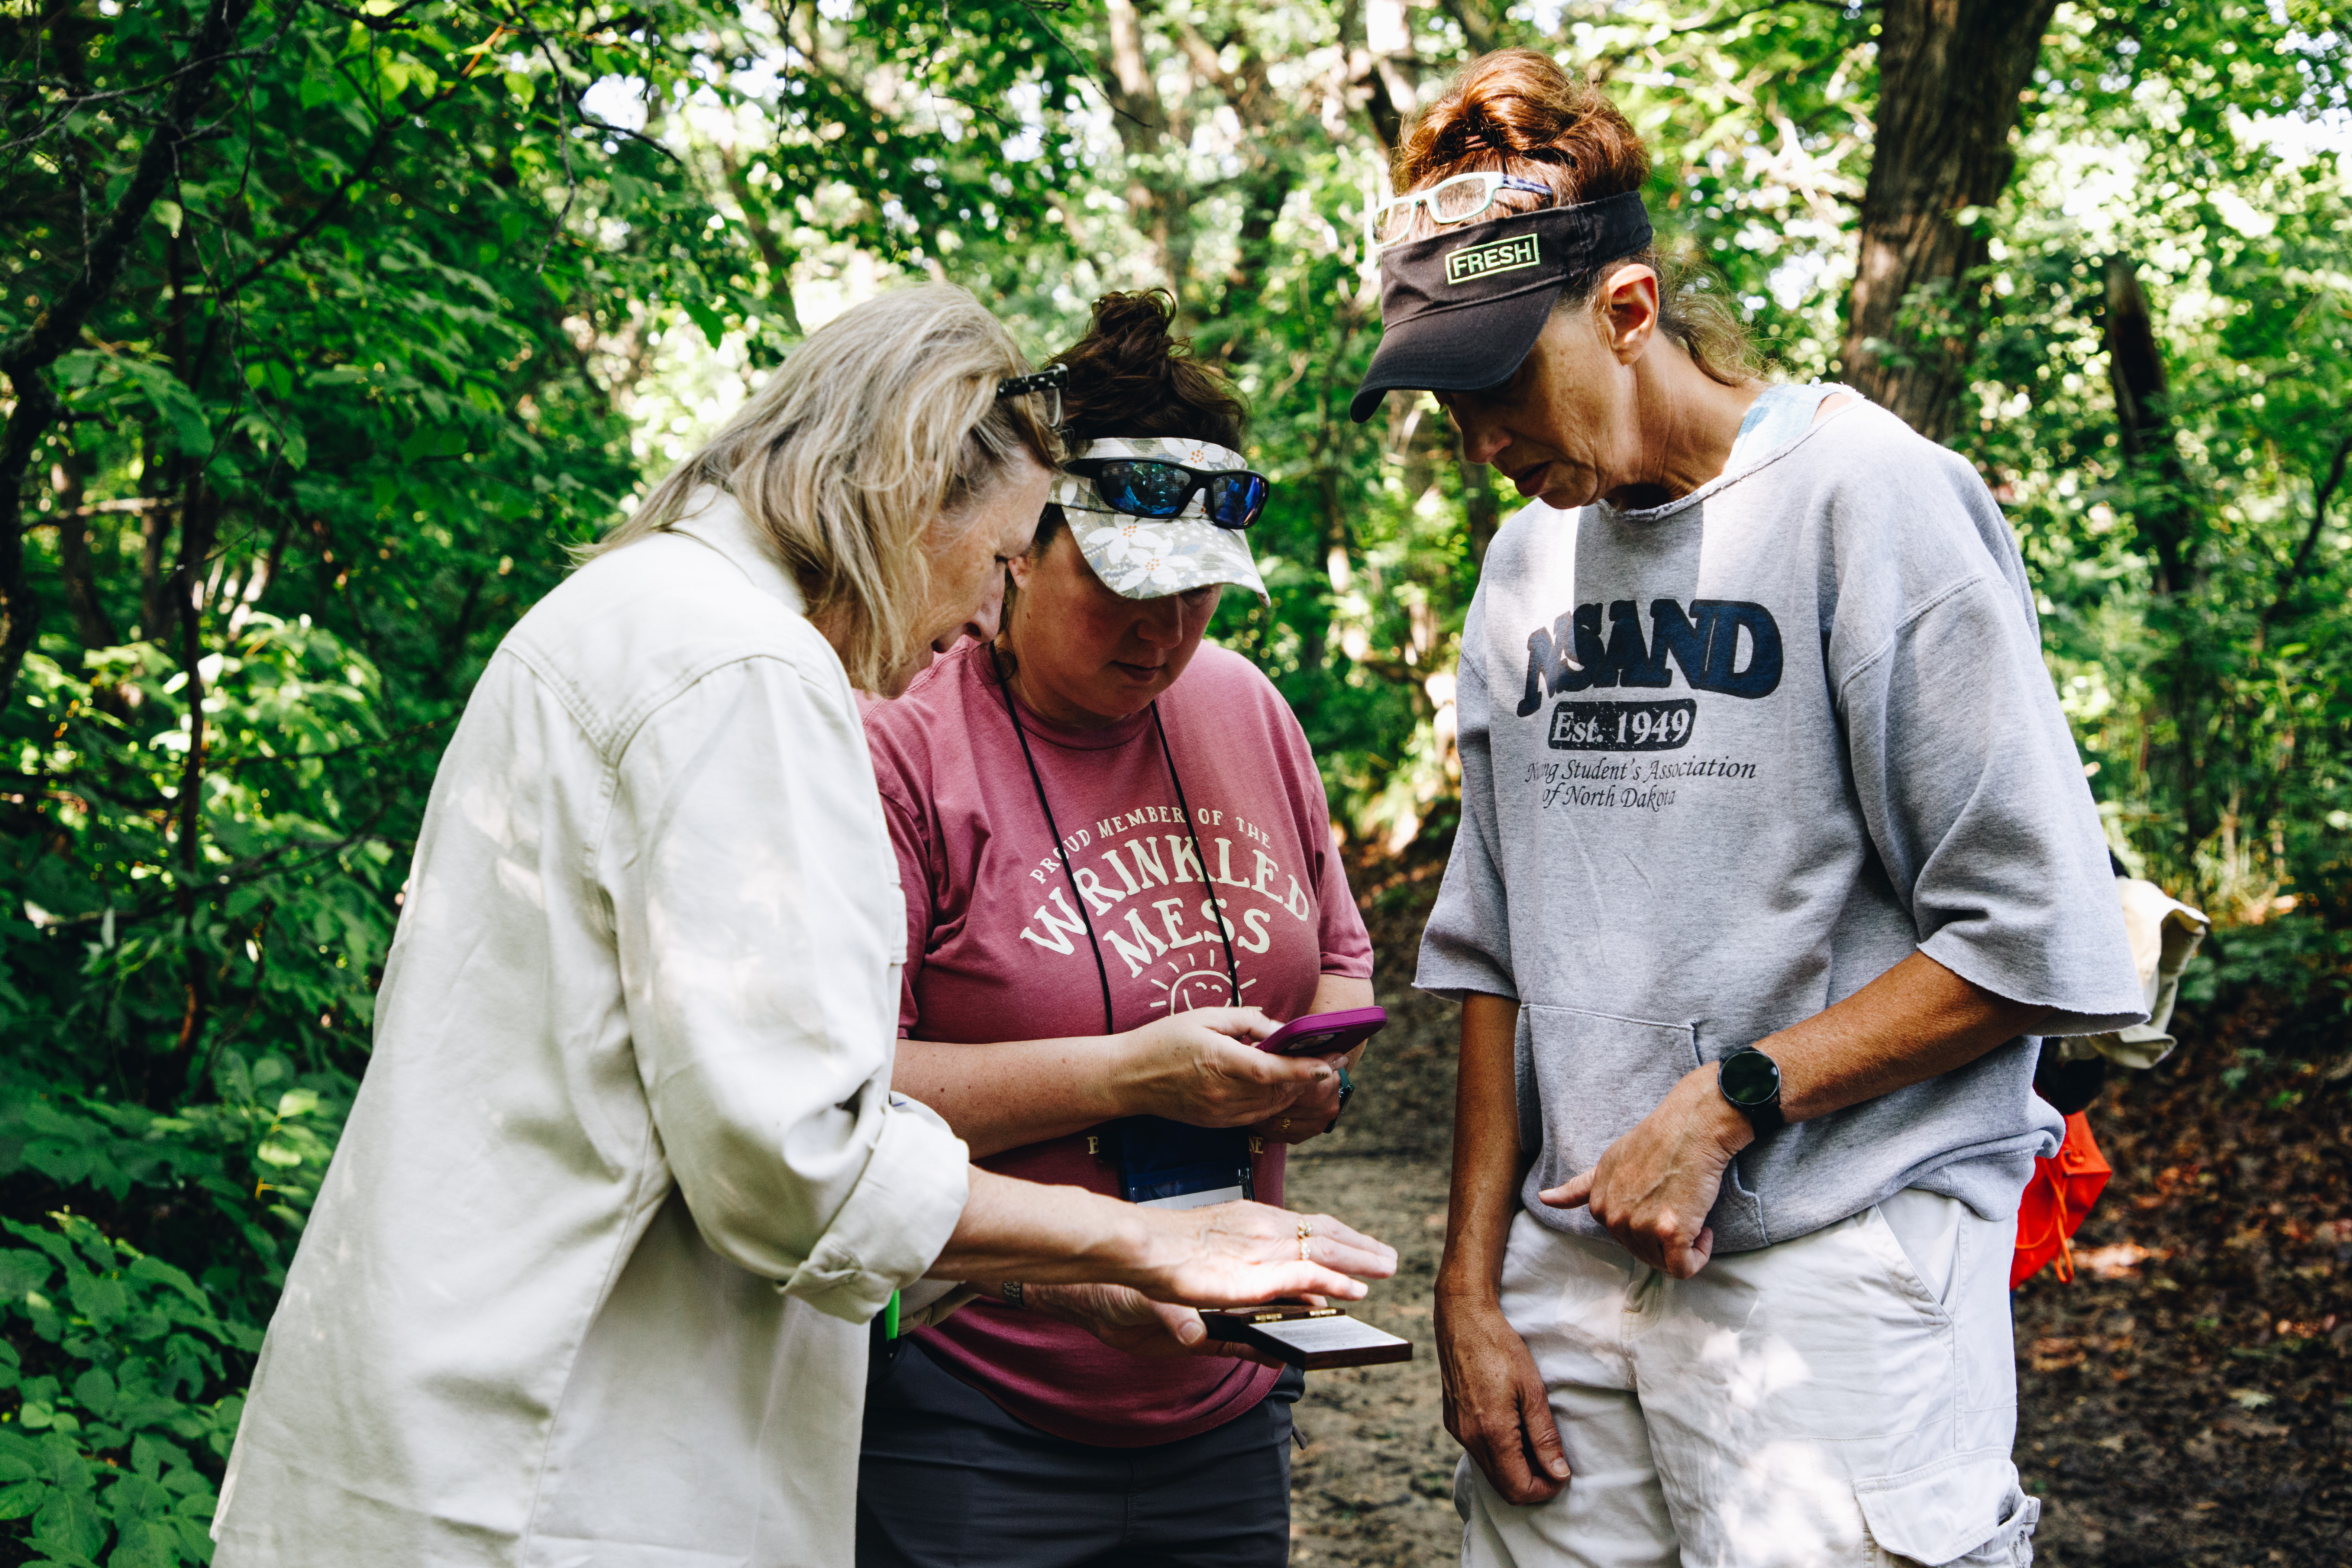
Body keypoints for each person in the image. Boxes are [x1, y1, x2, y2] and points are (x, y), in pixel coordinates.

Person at [209, 284, 1395, 1568]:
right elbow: (801, 1161)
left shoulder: (638, 611)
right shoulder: (746, 674)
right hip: (551, 1466)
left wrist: (1057, 1271)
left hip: (465, 1420)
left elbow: (704, 1113)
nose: (989, 616)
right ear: (904, 492)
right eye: (1003, 562)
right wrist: (1143, 1239)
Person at [1349, 52, 2146, 1567]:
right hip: (1570, 1279)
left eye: (1501, 383)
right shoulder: (1525, 569)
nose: (1478, 440)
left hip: (1831, 1271)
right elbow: (1493, 957)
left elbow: (2039, 933)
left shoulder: (1868, 499)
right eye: (1447, 399)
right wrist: (1470, 1289)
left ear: (1628, 308)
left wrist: (1732, 1100)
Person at [854, 291, 1377, 1568]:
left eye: (1200, 591)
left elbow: (1342, 949)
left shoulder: (1245, 707)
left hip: (1230, 1398)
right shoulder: (906, 738)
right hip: (976, 1408)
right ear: (1020, 545)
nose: (1164, 632)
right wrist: (1133, 1076)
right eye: (1124, 585)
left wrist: (1315, 1073)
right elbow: (845, 1095)